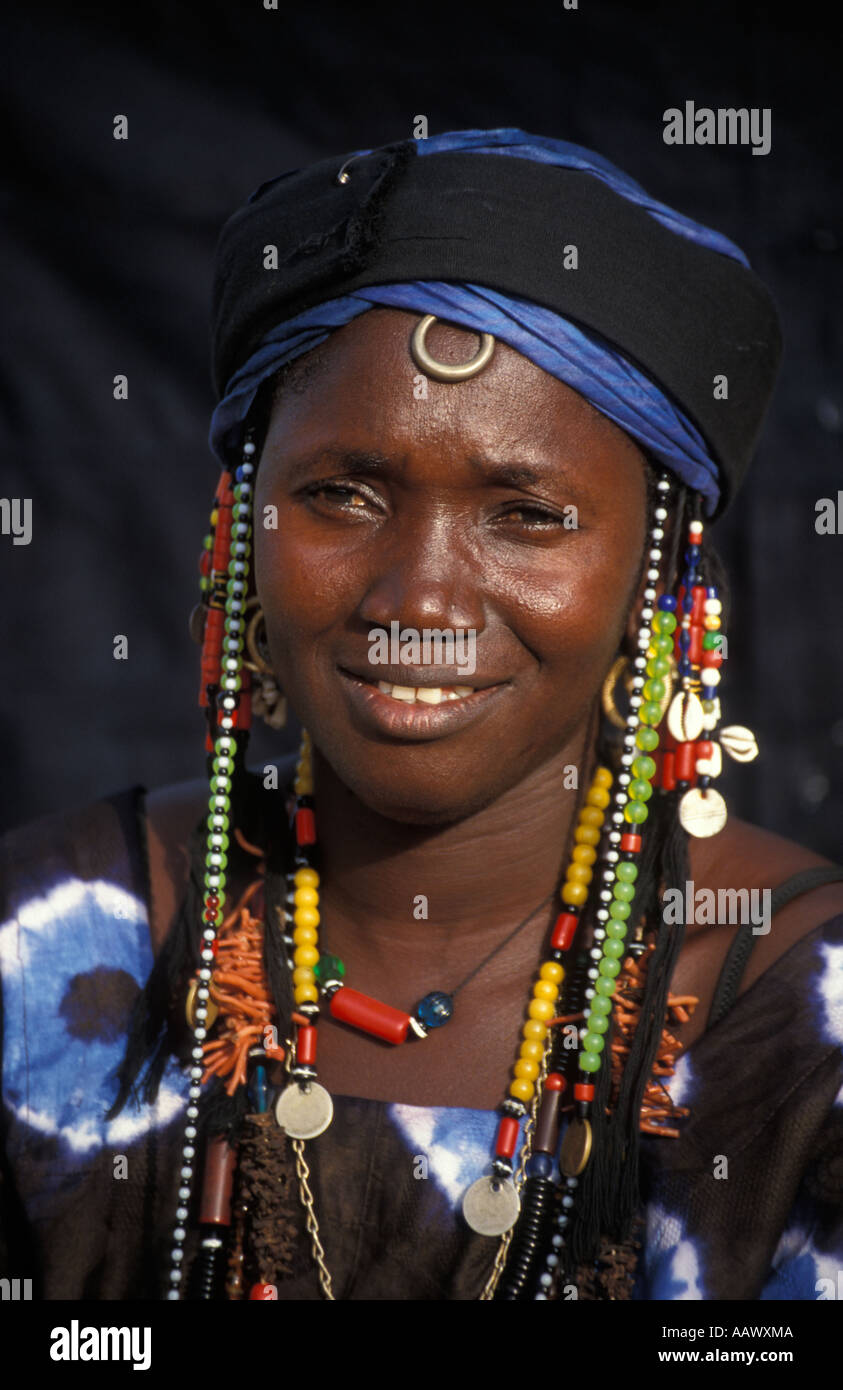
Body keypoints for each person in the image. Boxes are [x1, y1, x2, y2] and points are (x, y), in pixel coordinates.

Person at [2, 129, 842, 1302]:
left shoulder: (804, 1032)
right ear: (244, 527)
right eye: (341, 494)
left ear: (660, 572)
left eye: (527, 514)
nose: (419, 603)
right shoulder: (44, 937)